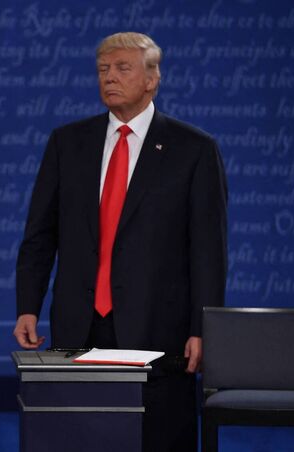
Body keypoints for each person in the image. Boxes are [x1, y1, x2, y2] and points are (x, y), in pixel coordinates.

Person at [14, 32, 227, 452]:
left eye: (122, 68)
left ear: (152, 79)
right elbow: (40, 234)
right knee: (79, 438)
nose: (109, 77)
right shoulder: (67, 143)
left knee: (159, 439)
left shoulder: (194, 149)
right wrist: (27, 306)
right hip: (79, 321)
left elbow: (209, 250)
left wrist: (203, 328)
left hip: (158, 330)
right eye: (103, 70)